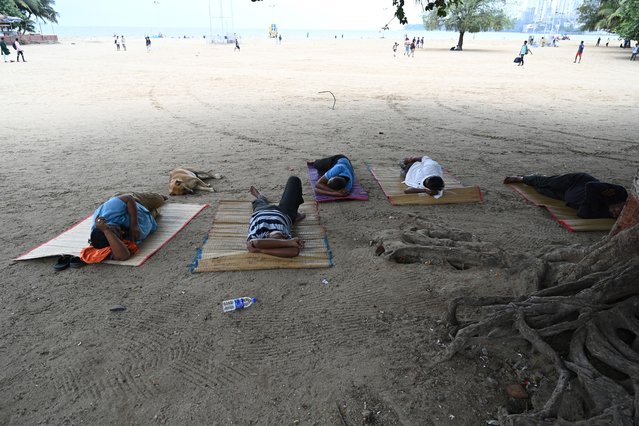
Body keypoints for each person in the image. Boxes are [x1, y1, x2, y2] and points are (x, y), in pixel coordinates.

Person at [84, 192, 167, 262]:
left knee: (160, 199)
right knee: (159, 211)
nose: (123, 232)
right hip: (147, 216)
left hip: (136, 202)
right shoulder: (107, 241)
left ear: (107, 224)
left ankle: (160, 197)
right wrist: (106, 230)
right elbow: (123, 256)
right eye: (119, 235)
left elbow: (128, 198)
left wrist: (134, 225)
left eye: (116, 229)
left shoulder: (106, 213)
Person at [503, 173, 627, 219]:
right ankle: (522, 178)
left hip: (567, 198)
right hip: (576, 181)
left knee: (540, 190)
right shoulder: (620, 192)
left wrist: (594, 200)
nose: (616, 212)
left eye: (618, 215)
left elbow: (582, 214)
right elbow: (590, 185)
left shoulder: (609, 214)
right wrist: (592, 204)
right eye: (619, 209)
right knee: (547, 182)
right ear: (624, 203)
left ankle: (539, 178)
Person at [246, 176, 306, 258]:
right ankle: (295, 216)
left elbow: (257, 243)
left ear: (267, 238)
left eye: (278, 240)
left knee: (260, 201)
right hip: (285, 213)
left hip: (262, 211)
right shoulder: (287, 238)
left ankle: (259, 196)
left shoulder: (259, 236)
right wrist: (288, 242)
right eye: (282, 239)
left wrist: (260, 250)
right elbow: (295, 251)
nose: (281, 238)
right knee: (294, 180)